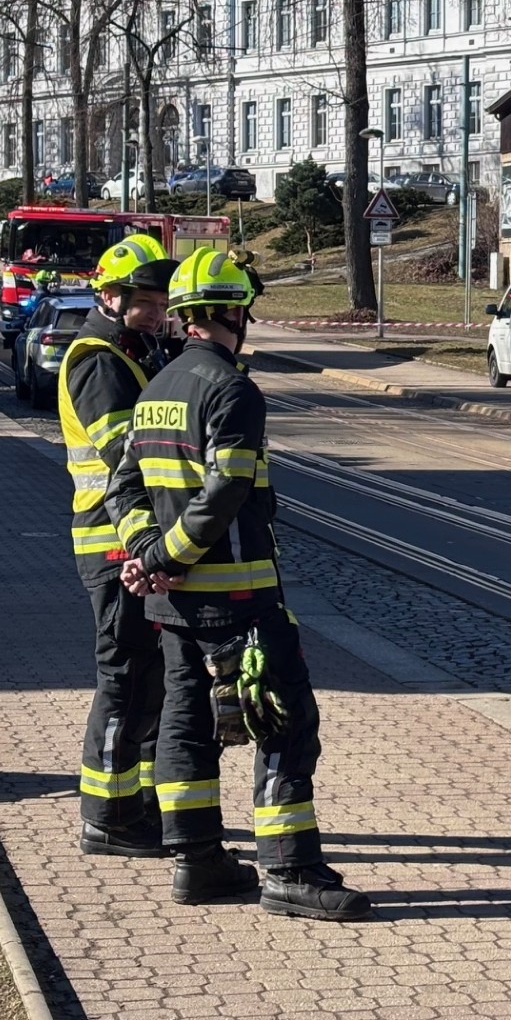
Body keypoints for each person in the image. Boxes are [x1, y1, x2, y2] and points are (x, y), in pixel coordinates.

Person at [108, 249, 370, 921]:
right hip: (239, 599)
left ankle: (197, 863)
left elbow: (124, 486)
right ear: (229, 311)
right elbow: (226, 487)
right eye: (243, 309)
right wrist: (167, 552)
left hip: (173, 603)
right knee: (282, 720)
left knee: (187, 719)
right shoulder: (232, 389)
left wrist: (146, 552)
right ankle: (288, 870)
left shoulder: (157, 388)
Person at [66, 234, 179, 859]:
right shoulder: (98, 359)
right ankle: (106, 818)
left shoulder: (134, 352)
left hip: (133, 542)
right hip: (113, 544)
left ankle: (130, 806)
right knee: (126, 680)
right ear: (111, 297)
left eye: (162, 298)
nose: (159, 308)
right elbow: (128, 455)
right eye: (148, 299)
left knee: (145, 683)